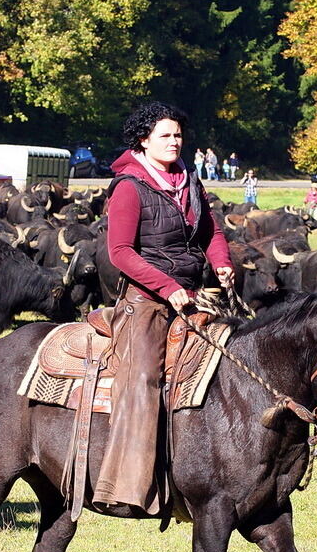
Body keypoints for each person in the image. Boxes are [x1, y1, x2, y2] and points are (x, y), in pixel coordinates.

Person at [99, 101, 233, 513]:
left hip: (194, 294)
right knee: (142, 380)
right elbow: (119, 251)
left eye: (178, 135)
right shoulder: (128, 187)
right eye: (165, 135)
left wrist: (223, 263)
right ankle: (127, 488)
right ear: (143, 140)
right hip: (146, 300)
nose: (175, 142)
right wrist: (166, 285)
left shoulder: (188, 181)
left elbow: (210, 230)